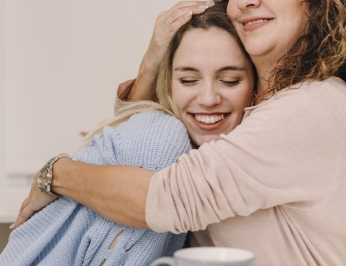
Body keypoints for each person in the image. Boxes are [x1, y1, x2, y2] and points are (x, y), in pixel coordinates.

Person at [12, 0, 346, 265]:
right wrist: (152, 65)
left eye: (229, 78)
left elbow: (165, 199)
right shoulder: (252, 113)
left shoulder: (315, 105)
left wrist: (55, 173)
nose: (246, 0)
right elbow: (140, 142)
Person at [0, 2, 255, 265]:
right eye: (188, 80)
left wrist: (56, 173)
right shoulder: (161, 138)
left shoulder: (253, 146)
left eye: (230, 80)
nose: (209, 98)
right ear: (168, 84)